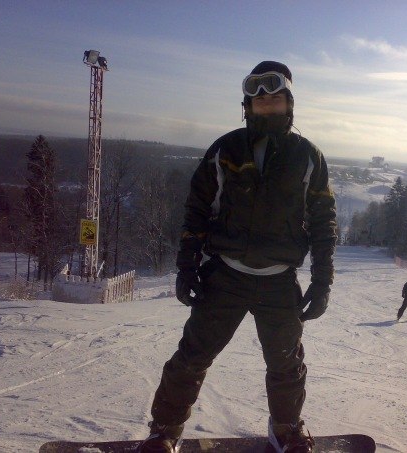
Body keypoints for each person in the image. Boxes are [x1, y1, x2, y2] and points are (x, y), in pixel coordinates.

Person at [140, 61, 337, 453]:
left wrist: (322, 282)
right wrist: (187, 266)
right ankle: (164, 431)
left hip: (278, 280)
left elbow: (322, 221)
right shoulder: (224, 150)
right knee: (192, 357)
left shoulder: (307, 157)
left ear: (289, 103)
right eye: (259, 100)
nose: (267, 105)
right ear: (247, 106)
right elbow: (197, 209)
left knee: (286, 364)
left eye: (275, 98)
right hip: (225, 276)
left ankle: (286, 429)